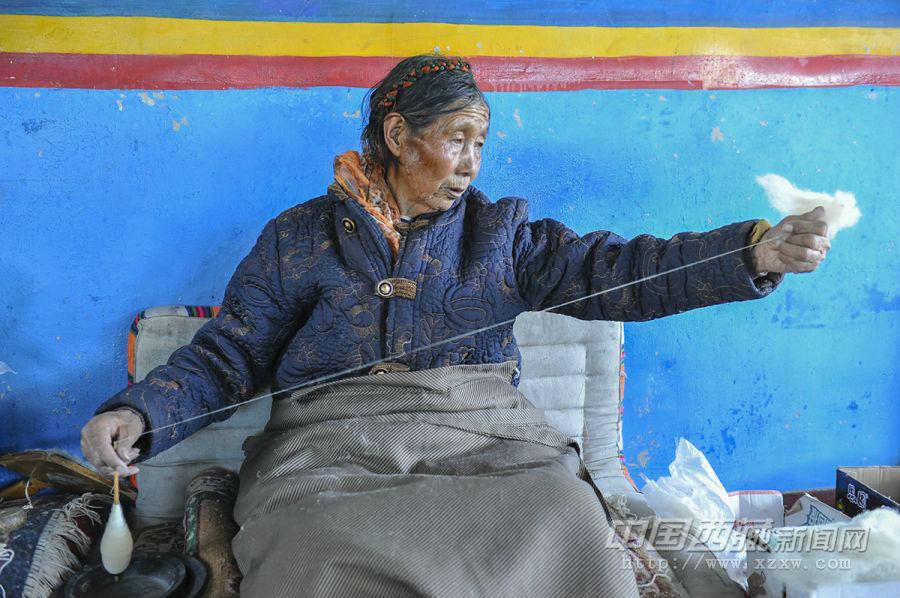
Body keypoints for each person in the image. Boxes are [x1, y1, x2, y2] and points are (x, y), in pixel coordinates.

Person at [81, 55, 830, 596]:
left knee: (569, 521)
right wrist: (137, 413)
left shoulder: (503, 236)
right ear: (398, 136)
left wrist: (750, 255)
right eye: (456, 138)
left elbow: (620, 270)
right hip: (329, 449)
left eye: (480, 142)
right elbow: (230, 353)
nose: (472, 162)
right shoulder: (299, 237)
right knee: (316, 549)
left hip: (488, 440)